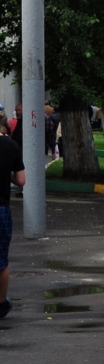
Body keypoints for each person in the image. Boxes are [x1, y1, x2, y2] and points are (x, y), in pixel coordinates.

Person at [0, 129, 26, 319]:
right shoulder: (11, 146)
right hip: (1, 209)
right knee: (1, 261)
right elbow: (21, 180)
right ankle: (1, 304)